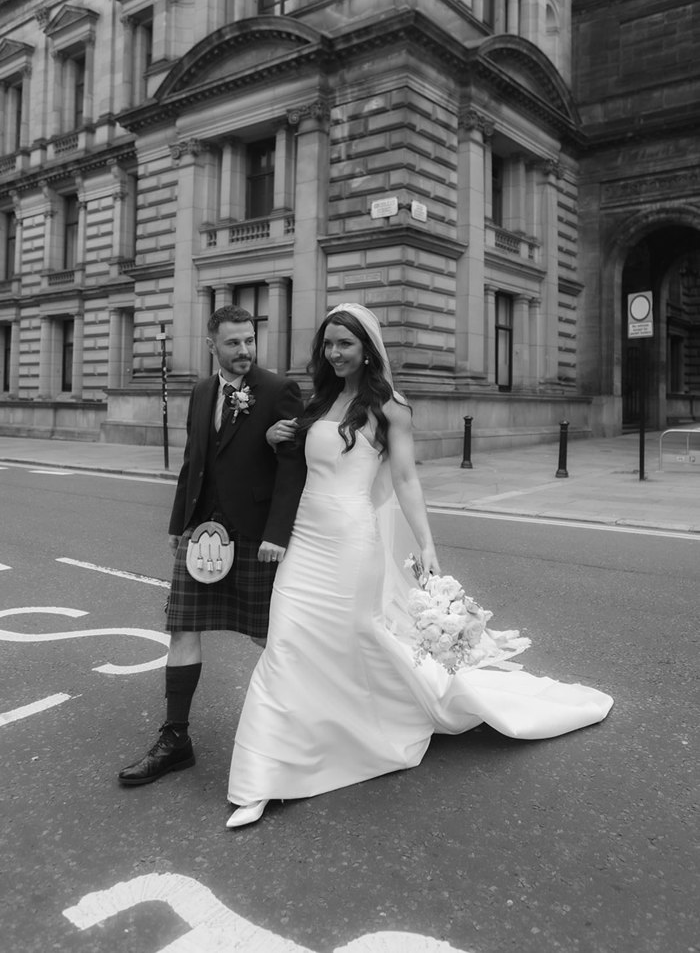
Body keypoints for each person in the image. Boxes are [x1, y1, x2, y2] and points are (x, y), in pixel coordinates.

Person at [225, 303, 613, 827]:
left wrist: (426, 546)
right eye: (329, 343)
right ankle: (262, 776)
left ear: (367, 348)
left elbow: (405, 480)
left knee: (354, 640)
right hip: (303, 542)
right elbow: (300, 463)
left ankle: (370, 727)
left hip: (351, 542)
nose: (334, 352)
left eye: (345, 343)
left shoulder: (389, 407)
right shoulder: (318, 400)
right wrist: (278, 439)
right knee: (287, 644)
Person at [118, 305, 306, 786]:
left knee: (268, 636)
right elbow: (192, 462)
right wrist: (178, 521)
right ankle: (175, 737)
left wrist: (277, 535)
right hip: (202, 532)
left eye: (249, 340)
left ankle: (293, 731)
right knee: (181, 628)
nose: (244, 350)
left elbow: (293, 468)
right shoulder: (201, 392)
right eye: (233, 343)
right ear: (211, 346)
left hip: (254, 534)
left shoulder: (279, 390)